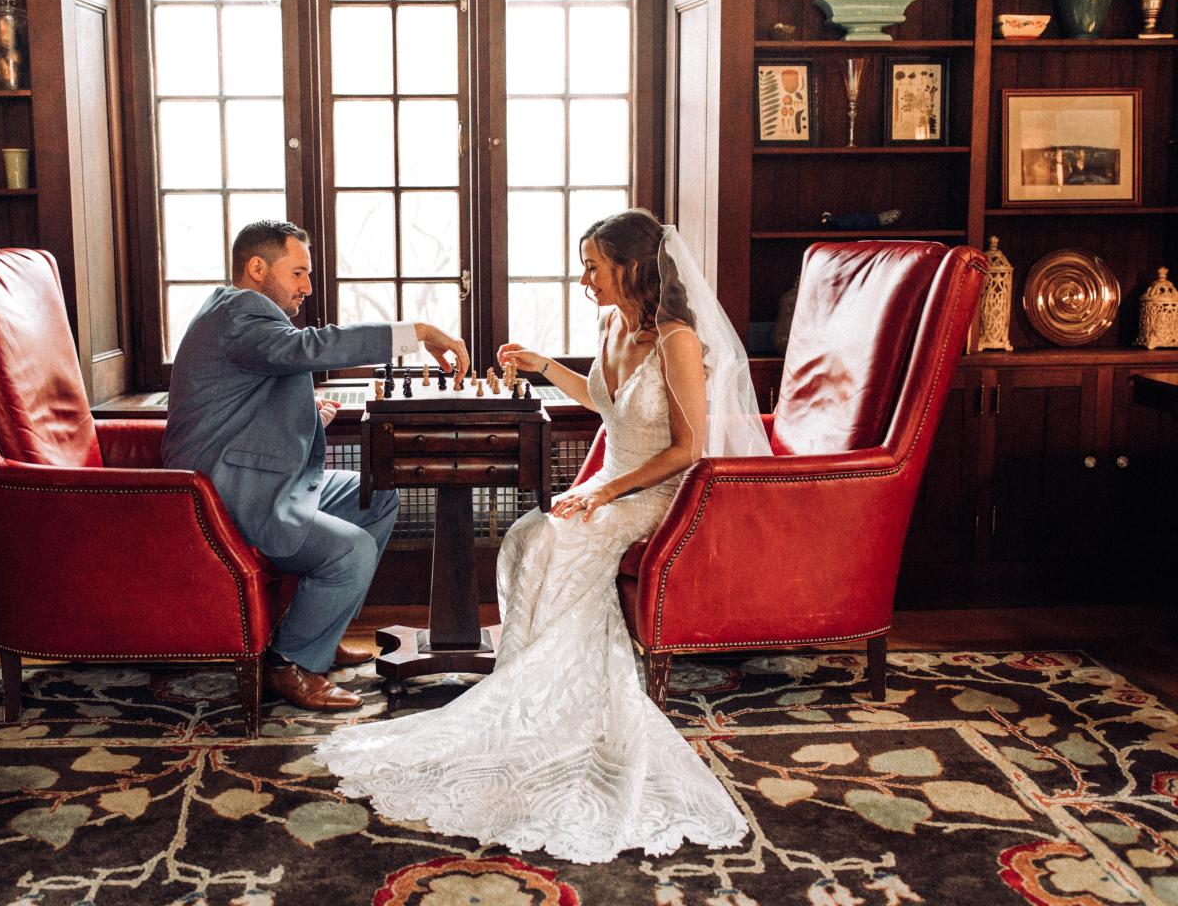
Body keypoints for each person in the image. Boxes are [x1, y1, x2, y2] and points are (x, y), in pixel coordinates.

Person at [314, 209, 771, 864]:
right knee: (527, 537)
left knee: (555, 541)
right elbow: (602, 400)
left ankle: (570, 719)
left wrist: (608, 492)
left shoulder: (676, 340)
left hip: (654, 496)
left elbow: (687, 448)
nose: (584, 277)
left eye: (593, 266)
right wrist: (540, 365)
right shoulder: (615, 323)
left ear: (634, 268)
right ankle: (526, 699)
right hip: (608, 487)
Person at [163, 220, 469, 713]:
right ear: (256, 268)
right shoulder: (241, 313)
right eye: (299, 273)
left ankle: (316, 640)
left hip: (261, 477)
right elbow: (308, 349)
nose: (307, 287)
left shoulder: (238, 316)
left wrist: (311, 413)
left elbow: (251, 396)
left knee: (378, 492)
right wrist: (417, 333)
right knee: (350, 552)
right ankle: (289, 665)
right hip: (231, 493)